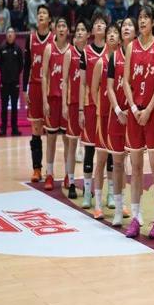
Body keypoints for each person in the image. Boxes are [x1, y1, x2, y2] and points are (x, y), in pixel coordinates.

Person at [124, 8, 154, 239]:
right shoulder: (131, 47)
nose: (142, 21)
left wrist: (149, 110)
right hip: (135, 113)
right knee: (136, 168)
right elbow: (126, 81)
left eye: (146, 18)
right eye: (139, 18)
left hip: (151, 113)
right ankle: (136, 218)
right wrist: (133, 109)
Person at [78, 14, 113, 209]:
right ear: (92, 30)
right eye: (96, 23)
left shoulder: (112, 52)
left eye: (102, 23)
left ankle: (110, 193)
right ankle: (87, 192)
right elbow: (82, 83)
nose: (99, 25)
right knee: (90, 149)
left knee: (110, 151)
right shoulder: (86, 52)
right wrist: (81, 109)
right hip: (92, 107)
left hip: (109, 108)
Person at [90, 23, 120, 219]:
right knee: (100, 160)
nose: (111, 35)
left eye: (115, 33)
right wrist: (100, 108)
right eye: (109, 33)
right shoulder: (101, 63)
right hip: (104, 117)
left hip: (118, 117)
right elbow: (93, 90)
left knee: (119, 162)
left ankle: (118, 202)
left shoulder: (123, 61)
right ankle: (98, 204)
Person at [106, 19, 134, 226]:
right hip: (117, 116)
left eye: (129, 25)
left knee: (135, 164)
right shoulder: (114, 57)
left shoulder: (139, 55)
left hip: (134, 115)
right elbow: (109, 88)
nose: (125, 28)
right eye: (123, 25)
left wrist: (132, 110)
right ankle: (118, 207)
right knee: (117, 163)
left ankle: (132, 208)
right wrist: (117, 110)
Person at [23, 5, 55, 182]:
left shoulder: (54, 38)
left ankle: (51, 171)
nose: (41, 15)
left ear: (49, 19)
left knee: (51, 130)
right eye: (39, 13)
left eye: (44, 13)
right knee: (36, 129)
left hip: (50, 88)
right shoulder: (30, 38)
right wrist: (24, 89)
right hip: (35, 86)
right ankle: (37, 169)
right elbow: (26, 65)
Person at [41, 17, 70, 190]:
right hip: (52, 99)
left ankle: (68, 174)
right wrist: (44, 100)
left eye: (64, 26)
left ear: (67, 30)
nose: (61, 28)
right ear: (55, 29)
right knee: (51, 138)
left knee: (67, 139)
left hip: (66, 101)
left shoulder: (71, 50)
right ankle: (50, 174)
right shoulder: (49, 48)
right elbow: (44, 75)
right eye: (58, 26)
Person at [62, 19, 89, 199]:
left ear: (88, 34)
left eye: (82, 29)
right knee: (72, 144)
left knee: (88, 147)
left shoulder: (90, 53)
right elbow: (64, 81)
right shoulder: (69, 53)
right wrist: (64, 104)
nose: (79, 32)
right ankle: (71, 182)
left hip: (87, 105)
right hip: (73, 104)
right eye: (77, 29)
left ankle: (87, 185)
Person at [0, 27, 23, 136]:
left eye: (12, 33)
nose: (10, 35)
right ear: (6, 35)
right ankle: (3, 129)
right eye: (8, 33)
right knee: (4, 107)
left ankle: (14, 129)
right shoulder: (1, 48)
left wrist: (15, 75)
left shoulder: (18, 49)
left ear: (15, 35)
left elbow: (21, 65)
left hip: (15, 83)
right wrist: (5, 74)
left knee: (14, 107)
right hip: (4, 83)